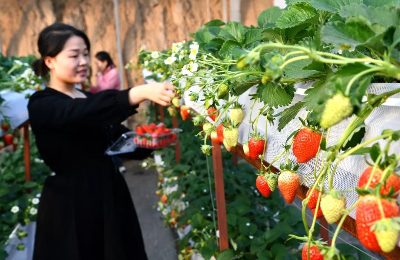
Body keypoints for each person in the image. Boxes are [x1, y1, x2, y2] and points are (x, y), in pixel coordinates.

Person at [28, 23, 174, 260]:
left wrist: (148, 141)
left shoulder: (87, 97)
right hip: (72, 204)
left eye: (86, 53)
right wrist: (137, 93)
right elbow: (78, 112)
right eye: (74, 55)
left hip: (109, 194)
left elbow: (118, 139)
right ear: (49, 61)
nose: (84, 61)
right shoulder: (42, 103)